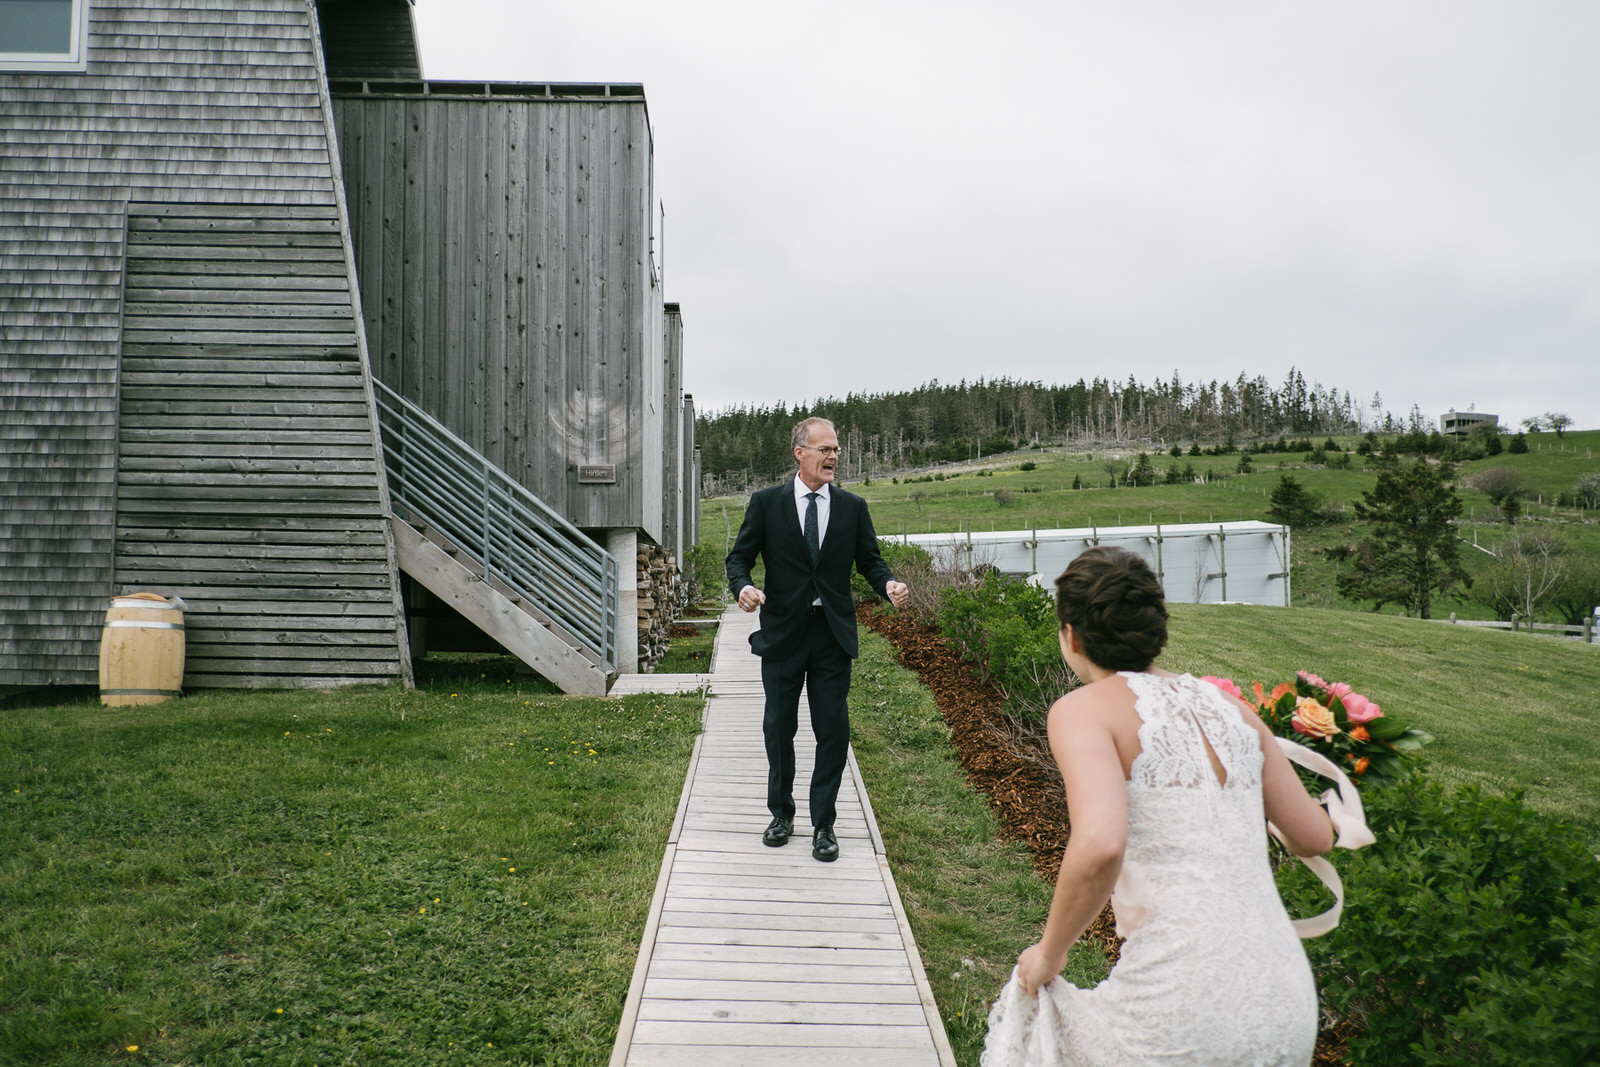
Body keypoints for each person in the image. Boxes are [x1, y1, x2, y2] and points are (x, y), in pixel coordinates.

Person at [983, 545, 1339, 1065]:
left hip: (1181, 998)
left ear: (1072, 636)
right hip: (1283, 996)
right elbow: (1314, 836)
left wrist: (1048, 954)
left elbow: (1102, 843)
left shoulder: (1080, 711)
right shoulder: (1230, 706)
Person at [725, 416, 910, 862]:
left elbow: (870, 561)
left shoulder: (852, 507)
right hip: (783, 634)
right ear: (800, 453)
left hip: (832, 636)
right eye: (824, 449)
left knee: (832, 730)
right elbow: (739, 558)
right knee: (778, 728)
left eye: (836, 450)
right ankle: (781, 815)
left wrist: (888, 584)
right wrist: (744, 588)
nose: (833, 457)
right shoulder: (766, 504)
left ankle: (824, 824)